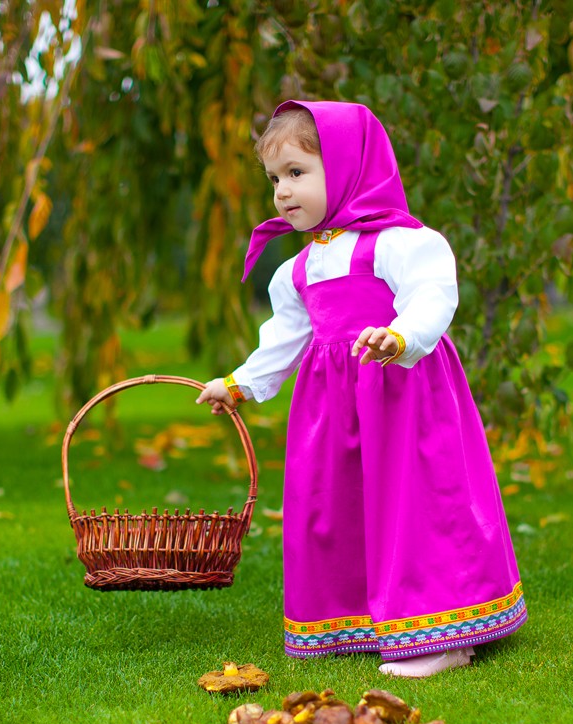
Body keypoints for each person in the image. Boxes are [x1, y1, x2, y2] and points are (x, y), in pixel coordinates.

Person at [196, 100, 527, 678]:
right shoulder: (296, 269)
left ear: (350, 165)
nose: (282, 192)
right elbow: (285, 340)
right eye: (275, 179)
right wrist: (239, 384)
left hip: (402, 397)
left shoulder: (401, 243)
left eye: (297, 173)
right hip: (332, 409)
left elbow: (432, 296)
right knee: (337, 504)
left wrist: (400, 336)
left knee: (415, 502)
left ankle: (441, 631)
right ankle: (356, 618)